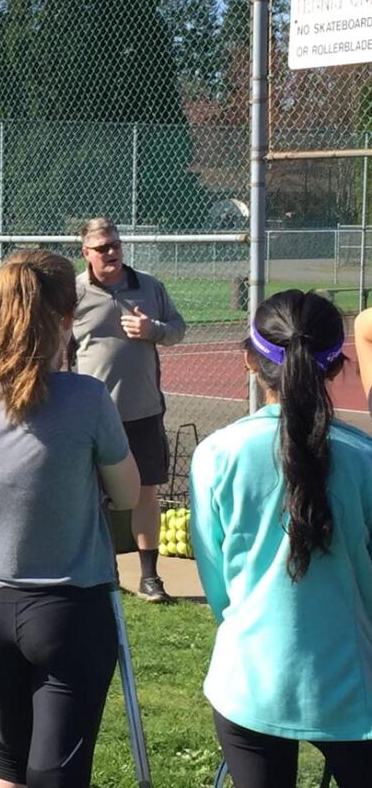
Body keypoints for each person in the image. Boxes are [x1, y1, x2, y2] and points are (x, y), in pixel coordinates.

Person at [0, 250, 140, 788]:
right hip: (68, 608)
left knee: (7, 758)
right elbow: (127, 494)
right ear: (67, 319)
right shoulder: (89, 398)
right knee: (57, 771)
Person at [190, 291, 372, 787]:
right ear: (336, 369)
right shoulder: (362, 458)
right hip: (354, 683)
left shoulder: (217, 455)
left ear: (250, 361)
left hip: (250, 682)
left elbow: (218, 584)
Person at [70, 216, 186, 603]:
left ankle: (150, 577)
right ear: (86, 252)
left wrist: (153, 329)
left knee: (146, 493)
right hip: (93, 416)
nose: (112, 252)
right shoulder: (74, 295)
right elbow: (60, 351)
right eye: (102, 247)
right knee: (92, 496)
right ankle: (105, 572)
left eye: (116, 244)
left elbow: (178, 328)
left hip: (144, 411)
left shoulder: (149, 287)